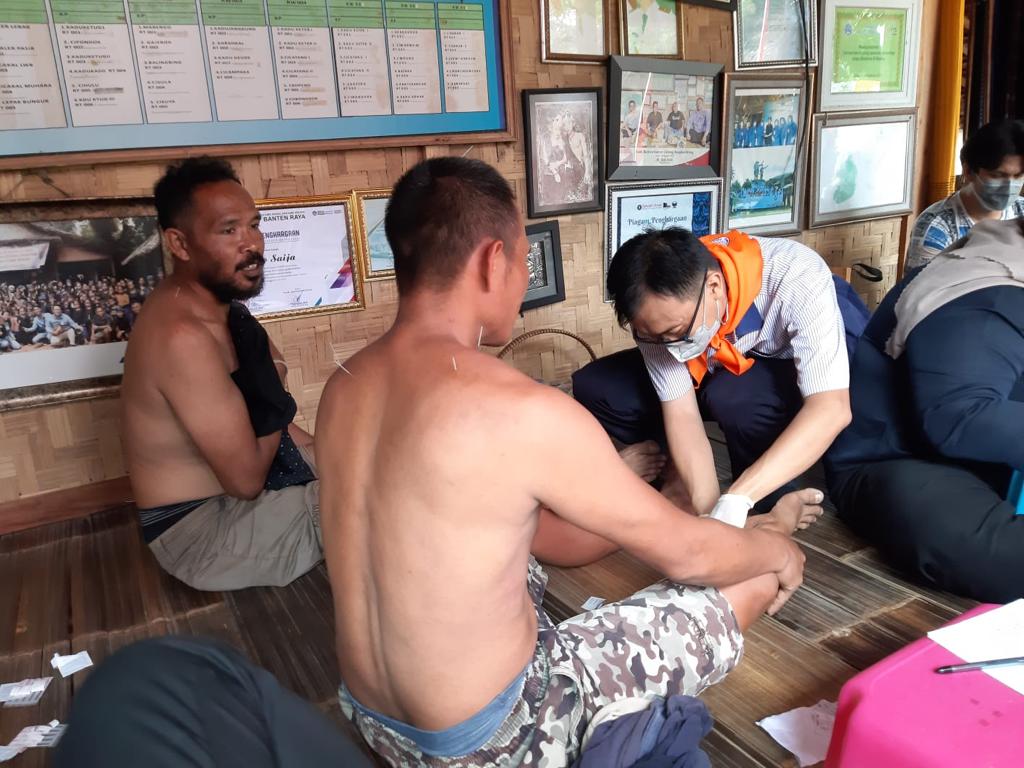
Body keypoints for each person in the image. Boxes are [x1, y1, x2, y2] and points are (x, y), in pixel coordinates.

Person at [315, 158, 815, 766]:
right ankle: (771, 537)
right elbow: (690, 557)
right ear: (492, 261)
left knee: (536, 562)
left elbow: (548, 541)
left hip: (376, 725)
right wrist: (779, 552)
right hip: (497, 740)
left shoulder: (343, 388)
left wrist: (659, 505)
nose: (523, 277)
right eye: (523, 260)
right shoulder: (517, 408)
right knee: (753, 575)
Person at [572, 229, 867, 531]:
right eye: (655, 337)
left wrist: (738, 498)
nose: (669, 346)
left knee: (734, 397)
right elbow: (682, 413)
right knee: (598, 385)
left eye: (675, 332)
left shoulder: (795, 274)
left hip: (802, 360)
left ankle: (770, 507)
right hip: (727, 360)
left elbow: (831, 409)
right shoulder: (657, 321)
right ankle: (678, 479)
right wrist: (711, 515)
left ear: (714, 286)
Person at [121, 156, 322, 591]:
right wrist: (273, 380)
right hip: (201, 533)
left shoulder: (220, 307)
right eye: (229, 230)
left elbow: (276, 426)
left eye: (254, 225)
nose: (251, 244)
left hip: (240, 495)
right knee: (373, 498)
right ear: (180, 243)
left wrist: (337, 454)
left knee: (374, 462)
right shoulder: (182, 337)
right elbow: (246, 480)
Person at [826, 218, 1024, 603]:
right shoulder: (988, 292)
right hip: (900, 460)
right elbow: (961, 416)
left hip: (993, 456)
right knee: (999, 556)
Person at [905, 118, 1024, 271]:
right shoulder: (937, 229)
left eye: (1018, 176)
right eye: (997, 176)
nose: (1009, 186)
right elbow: (920, 285)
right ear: (968, 171)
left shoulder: (1021, 211)